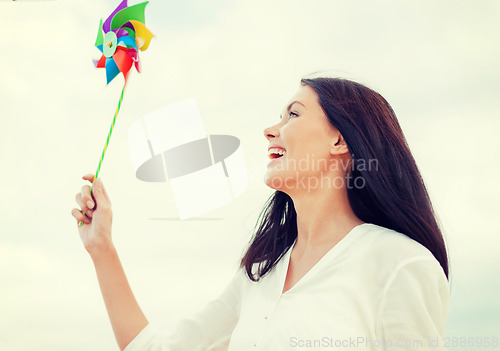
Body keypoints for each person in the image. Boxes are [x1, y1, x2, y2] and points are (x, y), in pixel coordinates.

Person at [72, 77, 450, 351]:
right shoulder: (259, 274)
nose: (270, 130)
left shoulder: (400, 264)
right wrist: (101, 248)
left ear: (340, 140)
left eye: (293, 115)